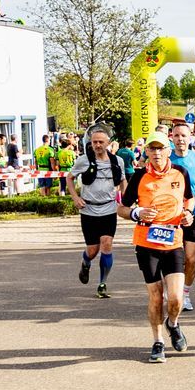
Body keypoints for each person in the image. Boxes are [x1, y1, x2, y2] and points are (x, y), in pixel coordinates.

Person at [124, 138, 189, 361]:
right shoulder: (139, 176)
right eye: (152, 148)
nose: (157, 153)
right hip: (146, 243)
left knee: (176, 298)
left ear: (168, 150)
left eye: (160, 148)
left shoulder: (180, 173)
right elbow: (122, 208)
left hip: (174, 242)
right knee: (155, 297)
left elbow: (189, 200)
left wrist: (188, 214)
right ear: (147, 152)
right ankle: (158, 341)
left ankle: (173, 324)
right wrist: (136, 213)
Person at [168, 122, 195, 312]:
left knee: (191, 258)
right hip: (169, 216)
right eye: (177, 136)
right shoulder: (165, 158)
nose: (180, 139)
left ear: (190, 137)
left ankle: (185, 294)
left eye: (183, 136)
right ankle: (171, 291)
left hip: (192, 214)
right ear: (172, 137)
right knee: (171, 258)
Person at [71, 128, 120, 298]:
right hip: (89, 211)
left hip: (109, 209)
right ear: (90, 143)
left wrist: (125, 202)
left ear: (108, 143)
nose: (98, 145)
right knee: (92, 251)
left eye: (101, 142)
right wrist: (75, 197)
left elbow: (123, 180)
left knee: (106, 244)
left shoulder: (117, 161)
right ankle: (85, 263)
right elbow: (69, 178)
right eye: (94, 142)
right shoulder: (83, 161)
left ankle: (102, 283)